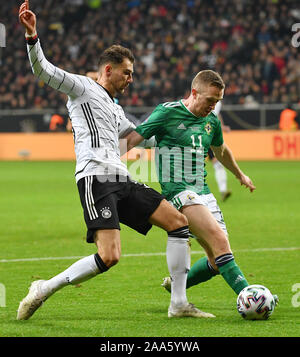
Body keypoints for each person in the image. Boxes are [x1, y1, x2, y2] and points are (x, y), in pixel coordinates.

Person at [17, 1, 213, 320]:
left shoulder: (115, 108)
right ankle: (44, 288)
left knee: (178, 223)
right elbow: (45, 71)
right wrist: (32, 36)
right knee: (109, 257)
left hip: (122, 178)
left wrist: (177, 123)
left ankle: (178, 304)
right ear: (108, 70)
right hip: (95, 178)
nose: (130, 79)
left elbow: (142, 137)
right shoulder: (82, 87)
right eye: (127, 73)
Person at [125, 70, 278, 304]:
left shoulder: (211, 122)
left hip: (204, 192)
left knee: (217, 261)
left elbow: (221, 151)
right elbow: (133, 138)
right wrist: (105, 164)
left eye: (218, 101)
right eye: (210, 100)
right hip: (179, 193)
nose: (213, 106)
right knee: (220, 242)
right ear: (194, 93)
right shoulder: (167, 112)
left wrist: (240, 175)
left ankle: (177, 287)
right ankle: (252, 299)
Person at [207, 101, 232, 201]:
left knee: (218, 163)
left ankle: (223, 190)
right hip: (204, 134)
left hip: (210, 135)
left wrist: (222, 126)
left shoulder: (218, 102)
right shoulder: (207, 99)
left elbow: (217, 115)